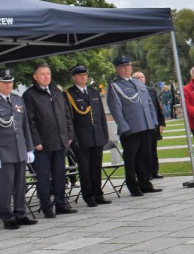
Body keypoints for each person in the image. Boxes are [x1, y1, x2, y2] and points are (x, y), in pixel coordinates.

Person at [0, 69, 38, 230]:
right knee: (5, 187)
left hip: (19, 149)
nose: (8, 85)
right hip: (3, 152)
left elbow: (25, 126)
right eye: (5, 82)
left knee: (20, 185)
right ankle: (7, 216)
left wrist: (29, 148)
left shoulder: (18, 100)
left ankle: (20, 213)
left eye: (10, 82)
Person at [24, 63, 77, 218]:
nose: (46, 76)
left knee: (60, 175)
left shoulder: (56, 92)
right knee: (44, 178)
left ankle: (61, 203)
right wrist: (36, 141)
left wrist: (69, 136)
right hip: (42, 145)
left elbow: (66, 115)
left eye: (48, 73)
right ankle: (46, 207)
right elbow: (30, 121)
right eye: (42, 74)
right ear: (35, 76)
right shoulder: (30, 95)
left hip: (60, 142)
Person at [107, 56, 161, 196]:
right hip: (131, 129)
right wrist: (124, 127)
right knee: (131, 160)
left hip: (146, 126)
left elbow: (149, 104)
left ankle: (145, 183)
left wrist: (154, 122)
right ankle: (133, 186)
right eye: (122, 67)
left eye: (128, 66)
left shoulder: (138, 83)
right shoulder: (115, 86)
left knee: (145, 157)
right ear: (117, 69)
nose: (126, 69)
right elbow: (115, 109)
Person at [66, 65, 111, 207]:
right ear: (74, 77)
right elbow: (69, 119)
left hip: (97, 136)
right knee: (85, 169)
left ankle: (98, 194)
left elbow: (101, 116)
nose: (83, 77)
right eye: (79, 75)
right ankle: (89, 196)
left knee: (96, 167)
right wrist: (73, 138)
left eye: (84, 74)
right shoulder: (69, 94)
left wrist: (105, 134)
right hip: (82, 138)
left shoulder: (93, 92)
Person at [133, 72, 165, 179]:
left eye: (142, 77)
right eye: (138, 77)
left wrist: (161, 123)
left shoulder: (151, 90)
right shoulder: (133, 92)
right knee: (144, 151)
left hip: (153, 124)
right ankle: (146, 173)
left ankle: (154, 171)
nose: (141, 79)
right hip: (142, 125)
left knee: (153, 149)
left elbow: (157, 106)